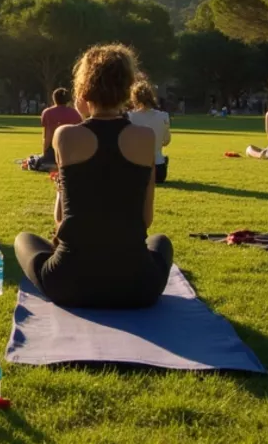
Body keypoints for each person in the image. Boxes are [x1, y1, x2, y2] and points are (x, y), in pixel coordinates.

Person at [14, 44, 172, 309]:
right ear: (127, 88)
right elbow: (146, 219)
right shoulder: (146, 138)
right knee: (161, 242)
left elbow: (61, 218)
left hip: (69, 284)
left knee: (23, 240)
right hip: (138, 286)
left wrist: (60, 190)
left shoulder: (64, 135)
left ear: (84, 88)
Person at [127, 81, 172, 183]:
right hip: (158, 169)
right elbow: (166, 141)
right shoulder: (163, 116)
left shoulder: (129, 117)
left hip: (136, 169)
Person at [35, 88, 83, 171]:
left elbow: (47, 136)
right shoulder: (75, 113)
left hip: (54, 149)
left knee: (38, 162)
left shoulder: (47, 112)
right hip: (70, 150)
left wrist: (45, 152)